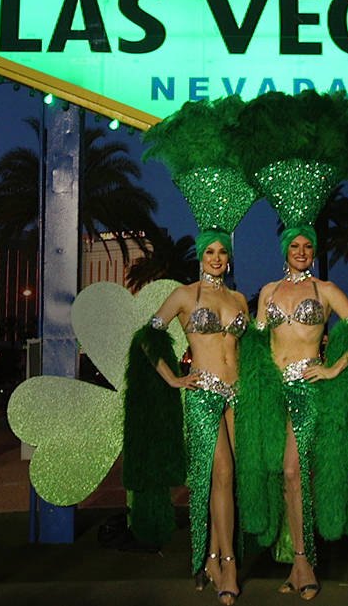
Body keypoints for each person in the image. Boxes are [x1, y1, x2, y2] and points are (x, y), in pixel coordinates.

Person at [237, 225, 348, 601]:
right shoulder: (270, 292)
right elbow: (258, 342)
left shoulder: (326, 290)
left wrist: (334, 368)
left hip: (307, 389)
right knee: (280, 475)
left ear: (314, 251)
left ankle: (304, 561)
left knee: (293, 469)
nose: (301, 251)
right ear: (284, 249)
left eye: (307, 246)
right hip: (272, 394)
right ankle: (292, 561)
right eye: (295, 245)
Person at [126, 229, 248, 605]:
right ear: (200, 255)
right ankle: (229, 565)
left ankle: (211, 559)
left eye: (222, 252)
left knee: (227, 481)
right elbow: (148, 337)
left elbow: (252, 348)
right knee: (221, 474)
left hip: (238, 396)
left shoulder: (240, 298)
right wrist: (174, 378)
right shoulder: (183, 295)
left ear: (229, 257)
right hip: (204, 394)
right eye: (209, 251)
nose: (215, 258)